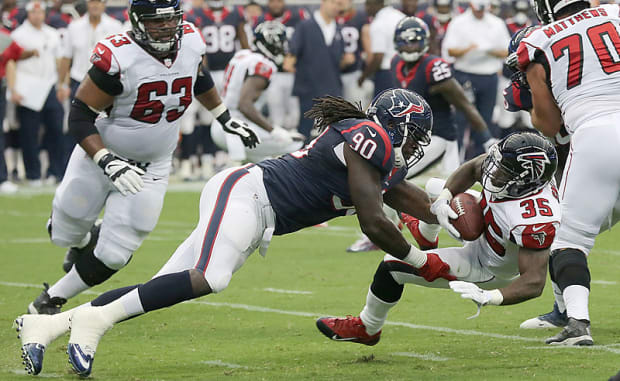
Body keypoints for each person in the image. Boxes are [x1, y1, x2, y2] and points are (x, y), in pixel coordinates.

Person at [14, 88, 457, 377]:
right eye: (415, 133)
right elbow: (373, 219)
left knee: (161, 288)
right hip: (248, 193)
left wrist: (449, 207)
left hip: (259, 211)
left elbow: (412, 201)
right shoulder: (368, 136)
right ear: (394, 123)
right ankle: (92, 319)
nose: (417, 143)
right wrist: (420, 262)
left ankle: (47, 325)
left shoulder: (384, 156)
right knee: (212, 276)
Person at [25, 0, 258, 316]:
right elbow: (79, 115)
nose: (165, 27)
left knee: (116, 253)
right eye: (155, 21)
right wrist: (107, 160)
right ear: (136, 21)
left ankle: (51, 299)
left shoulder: (190, 40)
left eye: (170, 20)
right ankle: (82, 239)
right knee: (62, 233)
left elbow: (199, 77)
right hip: (101, 158)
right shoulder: (118, 56)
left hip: (153, 165)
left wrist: (223, 115)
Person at [316, 131, 560, 346]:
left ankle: (367, 327)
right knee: (435, 188)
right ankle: (426, 234)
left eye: (503, 171)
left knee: (392, 266)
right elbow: (474, 167)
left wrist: (491, 297)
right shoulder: (513, 173)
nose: (493, 171)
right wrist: (445, 197)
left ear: (527, 178)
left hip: (487, 263)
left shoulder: (536, 219)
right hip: (487, 224)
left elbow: (534, 281)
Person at [511, 0, 620, 346]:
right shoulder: (616, 13)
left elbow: (548, 123)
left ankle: (577, 322)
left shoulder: (537, 42)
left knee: (566, 239)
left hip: (598, 134)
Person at [345, 16, 493, 253]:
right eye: (404, 42)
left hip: (438, 137)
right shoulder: (395, 63)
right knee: (426, 185)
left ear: (424, 42)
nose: (409, 47)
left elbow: (463, 102)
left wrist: (486, 137)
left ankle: (389, 233)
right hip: (411, 139)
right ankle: (405, 231)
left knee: (388, 177)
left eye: (414, 42)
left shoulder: (434, 65)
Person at [211, 21, 304, 162]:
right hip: (237, 127)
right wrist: (274, 131)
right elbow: (245, 105)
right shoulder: (264, 65)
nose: (283, 47)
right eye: (281, 42)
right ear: (271, 42)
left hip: (222, 123)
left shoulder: (243, 55)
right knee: (296, 143)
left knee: (263, 166)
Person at [57, 0, 123, 167]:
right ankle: (70, 166)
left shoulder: (115, 26)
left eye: (99, 2)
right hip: (78, 81)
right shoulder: (74, 26)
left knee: (107, 125)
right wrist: (61, 84)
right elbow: (66, 57)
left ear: (104, 4)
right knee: (76, 123)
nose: (95, 5)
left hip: (106, 83)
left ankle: (108, 164)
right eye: (92, 1)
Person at [441, 0, 510, 158]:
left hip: (488, 76)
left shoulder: (496, 23)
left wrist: (489, 51)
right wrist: (469, 49)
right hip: (465, 74)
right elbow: (449, 50)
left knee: (485, 120)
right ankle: (454, 160)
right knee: (460, 119)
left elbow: (506, 51)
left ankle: (480, 161)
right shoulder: (459, 22)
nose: (480, 12)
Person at [9, 0, 66, 185]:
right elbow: (12, 63)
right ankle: (33, 174)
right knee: (29, 132)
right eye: (33, 13)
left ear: (44, 13)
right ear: (28, 14)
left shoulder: (52, 34)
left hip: (49, 85)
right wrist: (14, 89)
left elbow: (60, 61)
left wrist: (61, 84)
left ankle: (55, 172)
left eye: (40, 12)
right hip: (27, 87)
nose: (37, 16)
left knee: (56, 129)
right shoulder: (18, 35)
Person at [284, 0, 353, 138]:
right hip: (309, 90)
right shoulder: (305, 26)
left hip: (333, 90)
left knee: (333, 133)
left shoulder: (338, 29)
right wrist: (304, 74)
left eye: (339, 4)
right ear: (324, 2)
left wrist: (346, 62)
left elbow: (337, 62)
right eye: (334, 2)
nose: (336, 7)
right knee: (305, 131)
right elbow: (290, 60)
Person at [256, 0, 308, 131]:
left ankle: (295, 147)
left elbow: (307, 42)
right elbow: (256, 45)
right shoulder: (261, 20)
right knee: (276, 115)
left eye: (278, 1)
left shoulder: (298, 16)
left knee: (294, 115)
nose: (276, 5)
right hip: (273, 74)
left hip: (294, 73)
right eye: (272, 1)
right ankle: (279, 146)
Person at [359, 0, 404, 96]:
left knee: (383, 109)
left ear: (375, 4)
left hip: (387, 74)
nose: (365, 8)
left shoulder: (379, 23)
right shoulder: (400, 16)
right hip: (404, 70)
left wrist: (363, 77)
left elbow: (378, 58)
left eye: (367, 4)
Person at [338, 0, 371, 105]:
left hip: (354, 72)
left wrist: (364, 76)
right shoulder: (331, 18)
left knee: (355, 110)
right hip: (334, 74)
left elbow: (369, 50)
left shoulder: (360, 17)